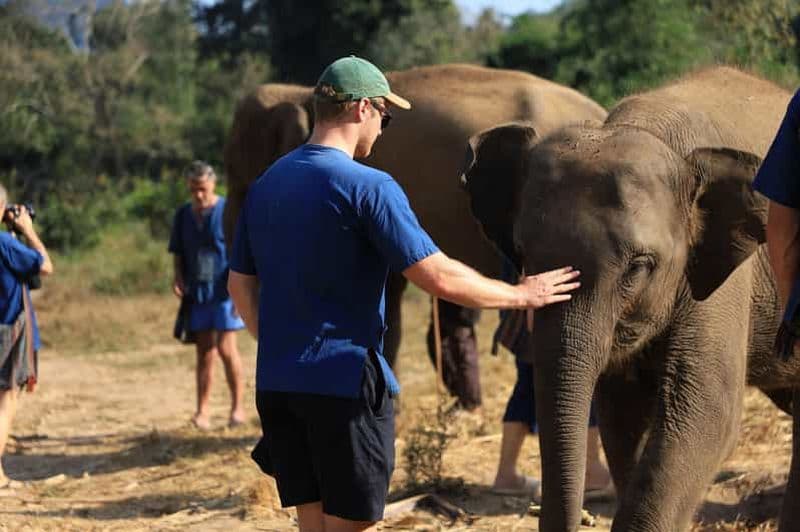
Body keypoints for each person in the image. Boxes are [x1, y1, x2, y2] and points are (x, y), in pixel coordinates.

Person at [228, 55, 581, 532]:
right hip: (343, 384)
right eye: (385, 116)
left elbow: (239, 284)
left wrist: (276, 343)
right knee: (352, 525)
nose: (383, 129)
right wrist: (521, 294)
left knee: (312, 523)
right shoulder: (369, 186)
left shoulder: (266, 186)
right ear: (362, 109)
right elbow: (437, 276)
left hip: (278, 386)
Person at [490, 269, 613, 500]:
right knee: (580, 382)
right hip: (541, 302)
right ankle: (590, 470)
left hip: (528, 299)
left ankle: (506, 474)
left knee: (527, 385)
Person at [169, 161, 246, 430]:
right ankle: (202, 411)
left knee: (226, 348)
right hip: (198, 291)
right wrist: (178, 277)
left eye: (202, 188)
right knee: (204, 351)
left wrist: (242, 290)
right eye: (193, 189)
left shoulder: (228, 211)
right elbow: (178, 251)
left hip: (225, 290)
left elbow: (242, 250)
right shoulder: (183, 215)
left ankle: (237, 408)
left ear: (213, 184)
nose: (198, 194)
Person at [0, 185, 53, 489]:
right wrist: (28, 230)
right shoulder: (5, 244)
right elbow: (45, 265)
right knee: (6, 400)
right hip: (8, 330)